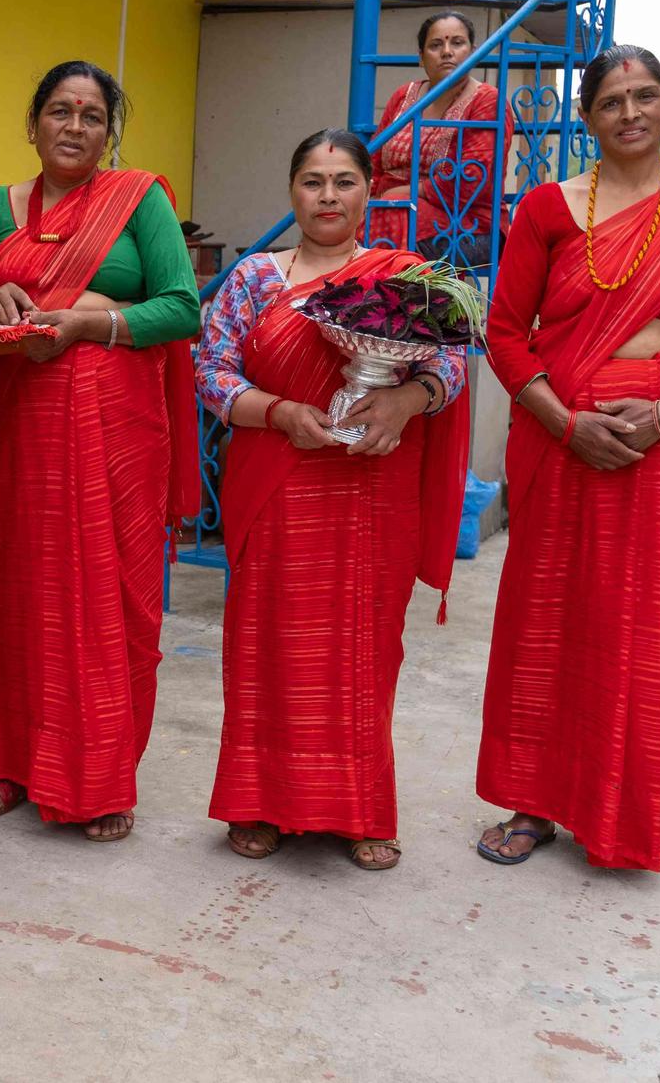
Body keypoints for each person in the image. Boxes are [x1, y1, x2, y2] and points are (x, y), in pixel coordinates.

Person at [475, 44, 660, 880]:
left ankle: (645, 811)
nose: (630, 112)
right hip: (562, 441)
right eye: (611, 101)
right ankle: (534, 801)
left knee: (642, 631)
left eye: (645, 96)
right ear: (588, 117)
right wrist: (568, 425)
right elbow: (504, 334)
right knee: (548, 618)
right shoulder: (546, 210)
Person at [197, 129, 469, 870]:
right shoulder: (256, 278)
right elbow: (212, 372)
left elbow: (451, 363)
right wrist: (281, 413)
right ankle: (258, 803)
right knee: (268, 647)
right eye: (312, 181)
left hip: (370, 485)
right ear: (292, 191)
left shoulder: (405, 276)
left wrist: (406, 402)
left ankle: (358, 807)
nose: (327, 196)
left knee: (361, 648)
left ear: (368, 193)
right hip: (279, 480)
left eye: (343, 181)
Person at [0, 60, 200, 843]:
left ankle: (99, 777)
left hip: (115, 438)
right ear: (32, 124)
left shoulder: (142, 202)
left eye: (91, 116)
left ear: (108, 134)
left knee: (107, 593)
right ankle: (4, 762)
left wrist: (93, 322)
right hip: (17, 427)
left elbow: (181, 307)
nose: (73, 126)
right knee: (11, 584)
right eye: (59, 111)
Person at [368, 10, 516, 265]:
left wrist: (408, 192)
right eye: (435, 45)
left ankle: (389, 296)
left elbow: (474, 181)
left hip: (471, 225)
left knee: (395, 209)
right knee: (341, 212)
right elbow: (375, 160)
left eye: (457, 43)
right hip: (390, 208)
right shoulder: (404, 96)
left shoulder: (487, 102)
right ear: (421, 57)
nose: (447, 51)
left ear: (473, 51)